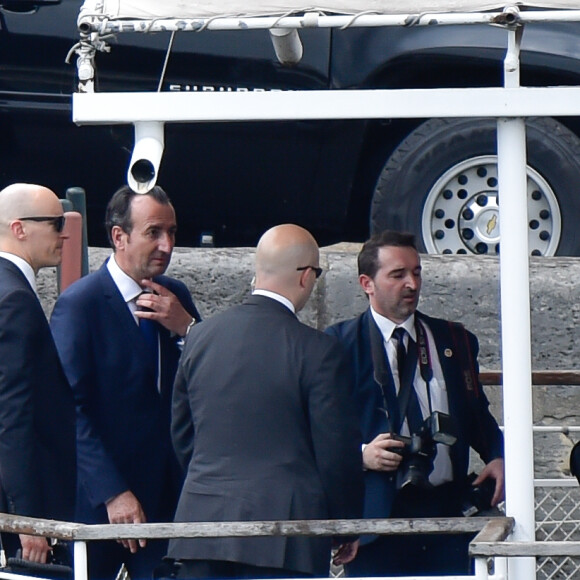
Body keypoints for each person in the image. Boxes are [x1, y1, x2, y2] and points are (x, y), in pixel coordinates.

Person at [167, 224, 364, 579]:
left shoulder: (200, 338)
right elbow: (336, 453)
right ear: (306, 277)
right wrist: (345, 524)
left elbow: (183, 436)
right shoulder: (318, 352)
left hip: (200, 530)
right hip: (284, 539)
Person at [326, 230, 505, 577]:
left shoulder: (454, 339)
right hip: (376, 517)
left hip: (449, 514)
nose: (412, 283)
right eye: (398, 275)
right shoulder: (337, 345)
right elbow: (322, 431)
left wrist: (498, 456)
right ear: (367, 283)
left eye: (417, 272)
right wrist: (361, 454)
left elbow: (475, 412)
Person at [50, 185, 201, 580]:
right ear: (119, 236)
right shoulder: (79, 305)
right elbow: (69, 409)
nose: (166, 245)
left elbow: (210, 381)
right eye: (154, 232)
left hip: (167, 501)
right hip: (99, 507)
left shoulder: (176, 296)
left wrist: (186, 328)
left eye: (172, 232)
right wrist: (113, 492)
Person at [0, 183, 76, 562]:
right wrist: (26, 519)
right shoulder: (14, 299)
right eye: (56, 222)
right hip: (20, 512)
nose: (64, 232)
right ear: (19, 229)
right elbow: (12, 415)